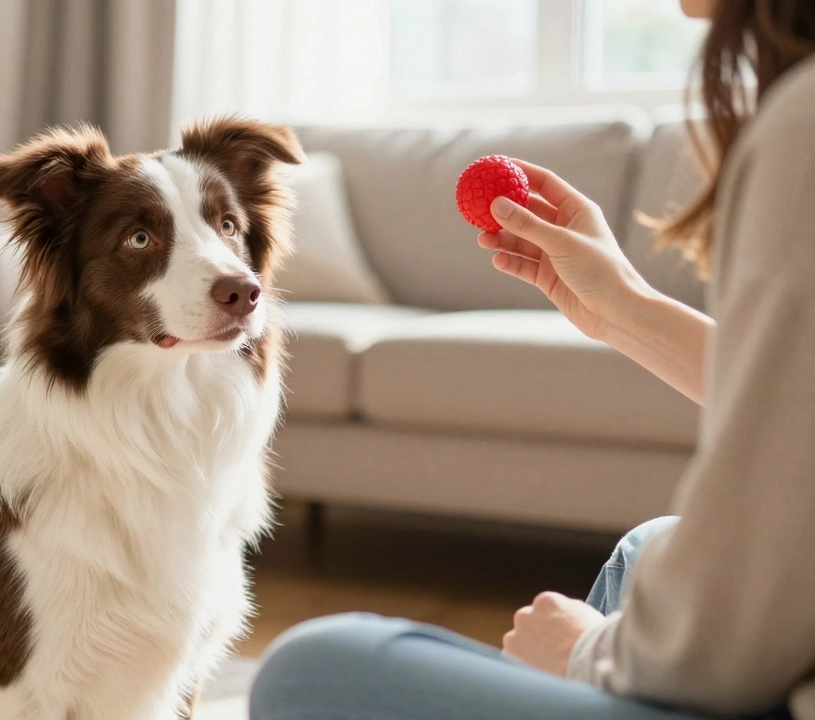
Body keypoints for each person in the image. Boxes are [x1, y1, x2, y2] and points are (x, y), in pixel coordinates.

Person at [250, 1, 815, 718]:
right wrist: (623, 306)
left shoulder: (802, 125)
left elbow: (717, 650)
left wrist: (584, 651)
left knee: (311, 669)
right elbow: (796, 410)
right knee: (650, 546)